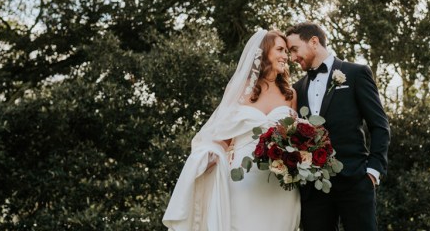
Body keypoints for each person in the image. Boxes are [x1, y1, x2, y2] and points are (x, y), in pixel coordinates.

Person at [163, 30, 300, 231]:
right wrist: (209, 156)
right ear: (264, 52)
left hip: (280, 180)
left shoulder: (290, 93)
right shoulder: (241, 89)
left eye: (287, 51)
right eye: (280, 49)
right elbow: (223, 135)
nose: (285, 56)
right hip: (244, 177)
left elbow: (295, 136)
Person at [286, 22, 390, 231]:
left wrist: (373, 171)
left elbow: (379, 125)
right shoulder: (297, 88)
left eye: (294, 49)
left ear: (314, 42)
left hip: (355, 181)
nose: (292, 57)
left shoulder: (356, 73)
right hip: (313, 189)